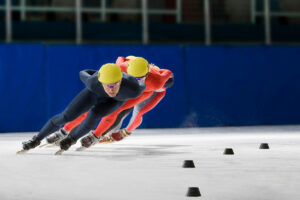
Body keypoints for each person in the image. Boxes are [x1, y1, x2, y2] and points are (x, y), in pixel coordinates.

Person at [46, 56, 174, 149]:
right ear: (127, 71)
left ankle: (97, 135)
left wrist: (126, 131)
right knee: (92, 107)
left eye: (140, 78)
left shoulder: (158, 81)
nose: (136, 81)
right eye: (133, 77)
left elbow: (168, 73)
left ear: (147, 73)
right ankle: (65, 131)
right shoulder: (122, 67)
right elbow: (120, 59)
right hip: (121, 85)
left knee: (124, 111)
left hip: (142, 92)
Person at [18, 61, 146, 153]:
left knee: (94, 115)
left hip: (115, 101)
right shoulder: (93, 82)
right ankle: (36, 139)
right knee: (66, 116)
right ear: (101, 81)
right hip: (94, 94)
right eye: (107, 85)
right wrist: (97, 74)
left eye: (114, 85)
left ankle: (71, 139)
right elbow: (83, 73)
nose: (111, 89)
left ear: (121, 81)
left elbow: (145, 83)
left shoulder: (134, 88)